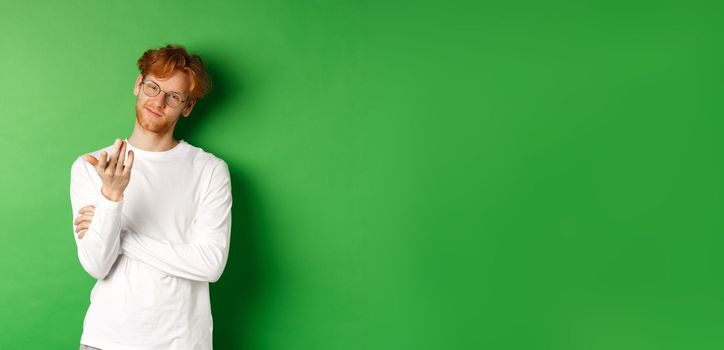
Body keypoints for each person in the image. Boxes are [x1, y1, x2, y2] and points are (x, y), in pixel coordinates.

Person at [69, 44, 232, 350]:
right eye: (153, 87)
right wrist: (112, 196)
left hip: (183, 342)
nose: (158, 101)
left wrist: (117, 232)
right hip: (107, 339)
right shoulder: (92, 166)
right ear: (138, 85)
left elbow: (210, 265)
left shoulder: (210, 170)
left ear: (187, 106)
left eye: (173, 96)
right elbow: (96, 264)